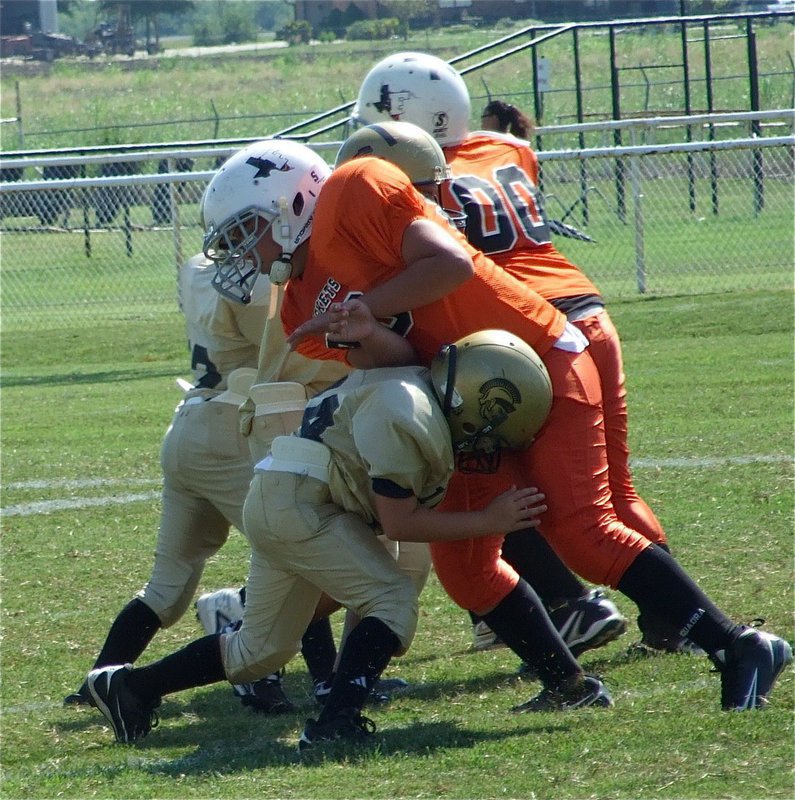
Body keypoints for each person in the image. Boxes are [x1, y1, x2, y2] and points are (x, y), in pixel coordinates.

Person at [200, 133, 789, 713]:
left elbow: (450, 262)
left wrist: (368, 308)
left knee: (584, 531)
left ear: (289, 204)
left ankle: (737, 646)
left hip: (535, 359)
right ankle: (568, 685)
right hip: (466, 405)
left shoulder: (355, 188)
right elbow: (400, 364)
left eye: (243, 232)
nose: (239, 253)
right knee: (467, 572)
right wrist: (367, 334)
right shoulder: (302, 305)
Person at [84, 326, 607, 751]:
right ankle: (335, 721)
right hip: (301, 503)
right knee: (391, 596)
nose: (488, 439)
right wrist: (490, 520)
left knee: (260, 650)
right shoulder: (411, 418)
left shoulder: (408, 384)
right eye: (493, 423)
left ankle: (132, 686)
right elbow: (400, 524)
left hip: (282, 493)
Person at [351, 51, 692, 655]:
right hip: (586, 309)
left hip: (522, 332)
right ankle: (667, 618)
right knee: (616, 489)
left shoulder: (408, 176)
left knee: (486, 479)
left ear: (405, 119)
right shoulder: (505, 150)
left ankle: (569, 606)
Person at [63, 251, 346, 715]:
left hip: (188, 427)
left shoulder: (199, 267)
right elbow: (299, 343)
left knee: (167, 588)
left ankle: (100, 681)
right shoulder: (262, 287)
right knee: (299, 554)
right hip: (228, 430)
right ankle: (313, 678)